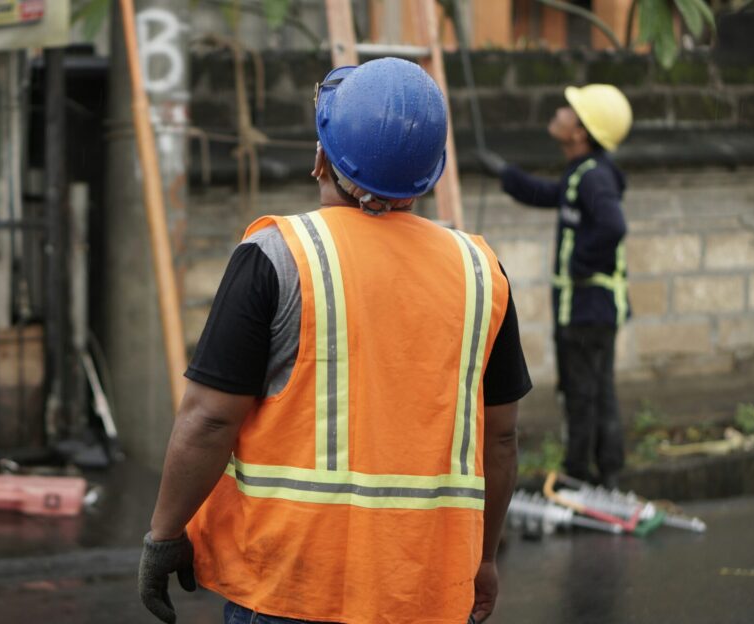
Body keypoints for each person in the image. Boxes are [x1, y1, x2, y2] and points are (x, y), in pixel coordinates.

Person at [137, 57, 533, 624]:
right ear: (431, 173)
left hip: (289, 587)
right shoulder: (479, 270)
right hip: (421, 591)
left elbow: (208, 420)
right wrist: (484, 558)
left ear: (321, 157)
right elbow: (501, 438)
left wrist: (164, 533)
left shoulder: (277, 255)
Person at [476, 84, 632, 489]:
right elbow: (547, 194)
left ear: (580, 132)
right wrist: (504, 174)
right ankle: (605, 474)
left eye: (570, 110)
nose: (560, 112)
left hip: (588, 308)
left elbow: (613, 226)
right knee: (593, 392)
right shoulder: (583, 173)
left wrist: (579, 264)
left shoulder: (594, 178)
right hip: (589, 309)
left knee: (584, 394)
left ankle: (581, 476)